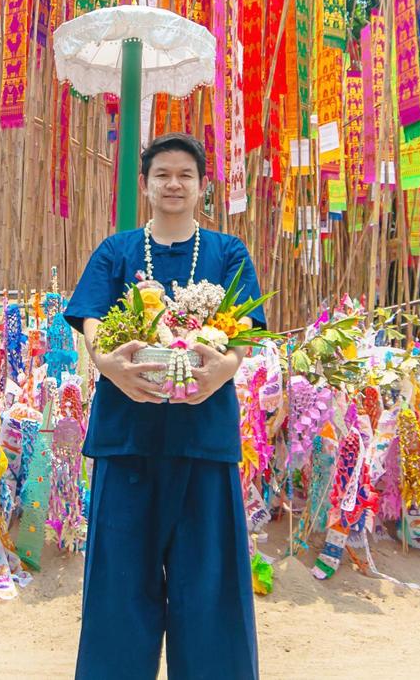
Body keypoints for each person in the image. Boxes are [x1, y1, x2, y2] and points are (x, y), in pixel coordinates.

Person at [64, 132, 263, 680]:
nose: (173, 184)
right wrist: (107, 363)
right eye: (162, 175)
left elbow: (245, 329)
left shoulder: (228, 253)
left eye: (185, 175)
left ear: (203, 185)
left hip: (204, 438)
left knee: (210, 587)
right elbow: (91, 317)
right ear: (145, 184)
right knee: (118, 585)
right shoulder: (117, 251)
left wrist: (224, 368)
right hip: (128, 438)